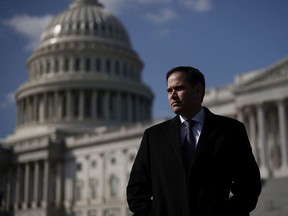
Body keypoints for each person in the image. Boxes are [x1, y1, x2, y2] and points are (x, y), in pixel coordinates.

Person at [126, 66, 261, 216]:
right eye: (169, 91)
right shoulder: (154, 137)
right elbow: (136, 190)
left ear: (198, 90)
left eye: (178, 88)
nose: (172, 95)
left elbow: (250, 185)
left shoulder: (231, 131)